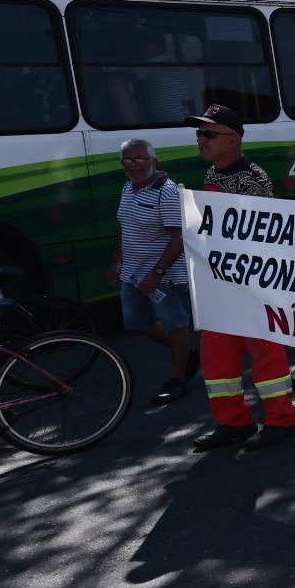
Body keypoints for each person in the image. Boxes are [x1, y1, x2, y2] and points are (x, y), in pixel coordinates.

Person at [184, 104, 295, 451]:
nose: (201, 139)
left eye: (209, 133)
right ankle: (234, 422)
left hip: (253, 284)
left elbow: (260, 234)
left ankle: (281, 421)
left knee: (266, 354)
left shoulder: (251, 178)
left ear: (233, 139)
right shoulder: (214, 173)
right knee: (216, 358)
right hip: (221, 284)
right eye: (199, 133)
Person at [107, 137, 195, 407]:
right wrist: (116, 261)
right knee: (137, 321)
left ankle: (179, 379)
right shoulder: (128, 187)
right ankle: (187, 354)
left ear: (154, 161)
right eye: (127, 159)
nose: (133, 165)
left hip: (163, 275)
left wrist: (156, 274)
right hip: (132, 272)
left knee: (176, 323)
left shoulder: (166, 192)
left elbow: (179, 238)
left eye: (140, 159)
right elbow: (126, 227)